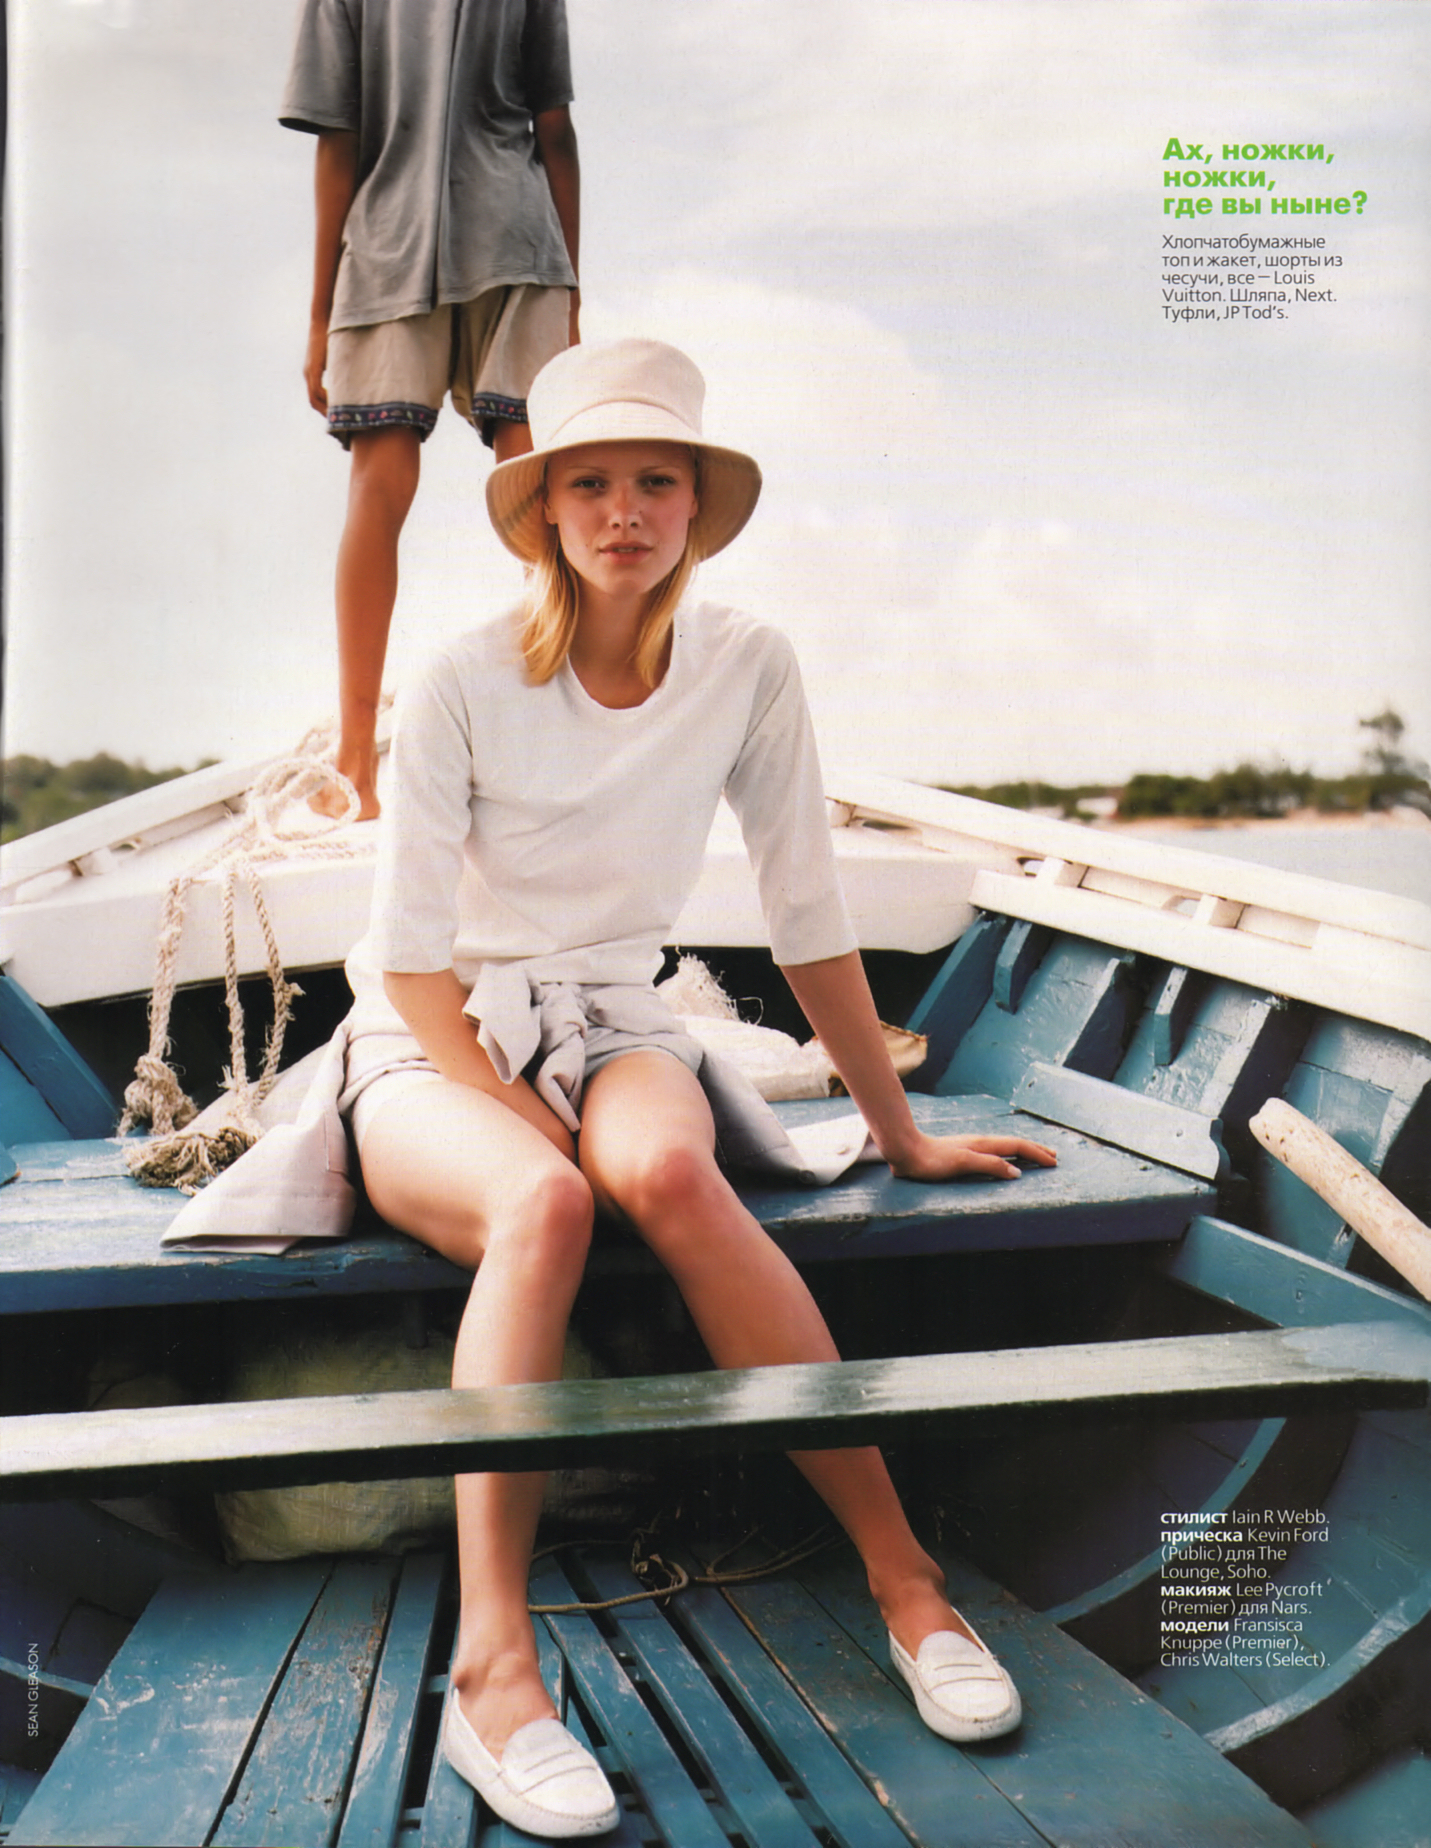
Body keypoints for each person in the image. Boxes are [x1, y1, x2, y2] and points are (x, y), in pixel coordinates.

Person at [338, 338, 1058, 1839]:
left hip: (619, 1016)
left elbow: (806, 917)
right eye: (589, 484)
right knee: (542, 1204)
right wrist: (520, 1116)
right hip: (436, 1036)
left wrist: (897, 1132)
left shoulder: (746, 663)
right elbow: (405, 963)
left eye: (654, 482)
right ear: (544, 511)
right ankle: (491, 1671)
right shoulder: (464, 673)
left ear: (695, 507)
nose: (623, 511)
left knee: (669, 1173)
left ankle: (906, 1583)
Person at [280, 0, 581, 819]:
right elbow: (554, 130)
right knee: (537, 490)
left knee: (376, 493)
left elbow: (338, 143)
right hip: (517, 241)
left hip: (386, 243)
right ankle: (565, 741)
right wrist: (572, 290)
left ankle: (354, 761)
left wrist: (320, 315)